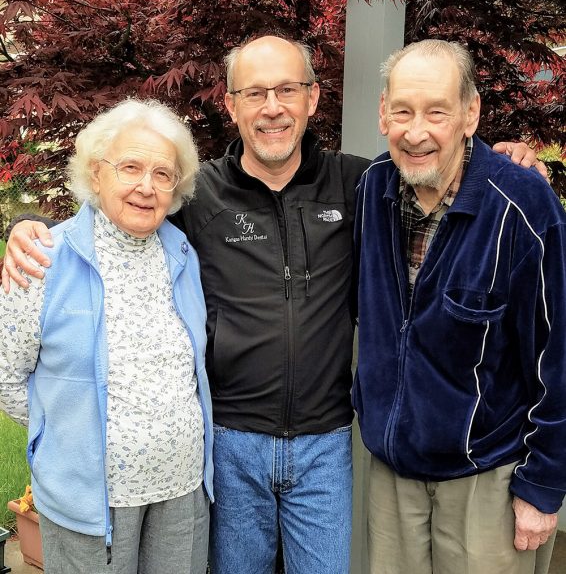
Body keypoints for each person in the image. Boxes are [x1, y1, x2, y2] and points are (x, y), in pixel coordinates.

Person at [1, 35, 546, 574]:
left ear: (312, 98)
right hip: (232, 444)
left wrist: (506, 160)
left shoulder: (360, 183)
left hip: (325, 445)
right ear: (231, 104)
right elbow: (120, 216)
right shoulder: (200, 194)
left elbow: (435, 160)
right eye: (254, 92)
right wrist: (34, 226)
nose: (272, 108)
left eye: (287, 89)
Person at [353, 39, 566, 574]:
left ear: (471, 114)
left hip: (487, 477)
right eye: (402, 111)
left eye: (437, 112)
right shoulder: (371, 189)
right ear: (382, 114)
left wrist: (543, 485)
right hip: (392, 470)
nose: (416, 131)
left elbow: (558, 355)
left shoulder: (522, 205)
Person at [0, 99, 214, 574]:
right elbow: (7, 376)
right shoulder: (43, 259)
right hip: (88, 496)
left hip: (180, 489)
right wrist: (59, 434)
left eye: (163, 174)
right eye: (130, 167)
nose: (146, 186)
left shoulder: (181, 255)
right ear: (96, 174)